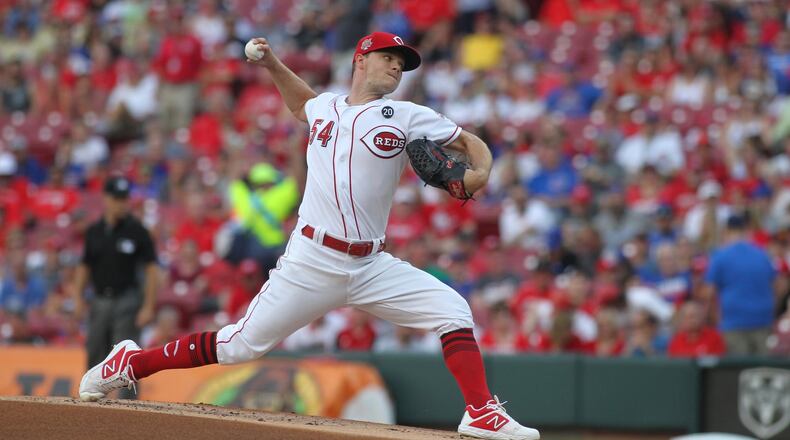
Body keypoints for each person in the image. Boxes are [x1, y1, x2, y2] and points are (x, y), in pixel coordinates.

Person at [78, 32, 540, 440]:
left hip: (370, 265)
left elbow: (469, 143)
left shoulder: (407, 115)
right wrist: (273, 65)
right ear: (361, 59)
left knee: (452, 309)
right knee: (238, 345)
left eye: (403, 62)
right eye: (389, 57)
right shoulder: (325, 107)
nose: (398, 65)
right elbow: (301, 102)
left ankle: (481, 412)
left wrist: (480, 174)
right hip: (312, 260)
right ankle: (128, 364)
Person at [71, 176, 159, 398]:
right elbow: (84, 266)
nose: (123, 203)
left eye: (125, 199)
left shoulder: (137, 230)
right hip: (99, 299)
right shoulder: (94, 231)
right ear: (106, 199)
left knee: (126, 356)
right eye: (118, 199)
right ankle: (90, 400)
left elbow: (151, 270)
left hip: (127, 300)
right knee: (95, 351)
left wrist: (148, 305)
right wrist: (78, 297)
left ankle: (128, 410)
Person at [703, 214, 776, 355]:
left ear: (727, 231)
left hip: (733, 322)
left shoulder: (720, 256)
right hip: (763, 319)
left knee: (739, 371)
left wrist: (717, 320)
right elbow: (776, 286)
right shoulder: (762, 254)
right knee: (762, 371)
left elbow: (709, 293)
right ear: (744, 230)